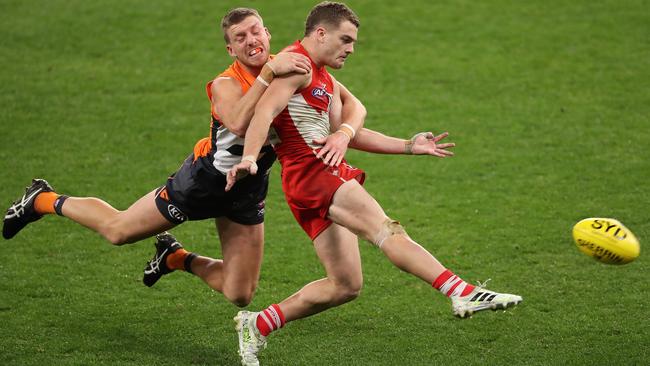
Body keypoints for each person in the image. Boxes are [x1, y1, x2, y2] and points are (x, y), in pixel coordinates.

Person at [225, 2, 523, 365]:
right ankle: (460, 290)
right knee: (387, 231)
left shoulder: (320, 74)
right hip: (315, 173)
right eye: (345, 39)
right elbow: (264, 114)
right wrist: (250, 159)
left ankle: (257, 324)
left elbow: (354, 126)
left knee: (345, 284)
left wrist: (408, 146)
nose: (350, 48)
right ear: (321, 33)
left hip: (308, 182)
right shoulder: (297, 64)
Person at [2, 8, 314, 307]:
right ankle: (42, 199)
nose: (251, 40)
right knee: (118, 231)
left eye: (255, 31)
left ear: (267, 33)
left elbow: (340, 100)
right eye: (241, 37)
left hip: (246, 192)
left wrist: (342, 133)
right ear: (231, 50)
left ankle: (175, 258)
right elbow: (239, 122)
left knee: (240, 293)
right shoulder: (225, 84)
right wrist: (268, 74)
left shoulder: (290, 71)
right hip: (201, 184)